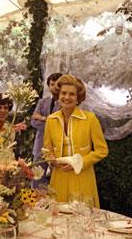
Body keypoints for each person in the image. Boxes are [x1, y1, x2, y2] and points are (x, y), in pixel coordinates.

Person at [43, 74, 108, 207]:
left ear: (78, 98)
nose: (67, 97)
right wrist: (51, 160)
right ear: (58, 94)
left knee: (82, 219)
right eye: (63, 93)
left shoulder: (90, 119)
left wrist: (80, 163)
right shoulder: (51, 120)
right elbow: (46, 149)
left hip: (82, 177)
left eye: (71, 94)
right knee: (58, 220)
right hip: (58, 178)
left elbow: (102, 150)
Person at [31, 73, 63, 187]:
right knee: (36, 178)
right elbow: (33, 121)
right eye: (52, 84)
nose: (55, 87)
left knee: (57, 181)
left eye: (58, 84)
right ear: (48, 86)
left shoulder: (66, 104)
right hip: (40, 145)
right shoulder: (42, 102)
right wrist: (51, 123)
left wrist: (43, 118)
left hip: (58, 148)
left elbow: (61, 125)